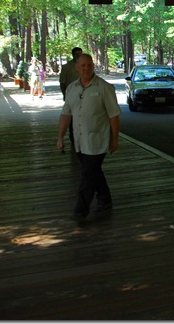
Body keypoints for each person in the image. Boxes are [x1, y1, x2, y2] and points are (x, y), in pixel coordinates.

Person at [56, 53, 120, 222]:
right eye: (83, 65)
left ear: (93, 66)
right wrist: (60, 137)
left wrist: (115, 139)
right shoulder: (71, 89)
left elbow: (114, 116)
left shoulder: (104, 88)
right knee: (93, 172)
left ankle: (80, 211)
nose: (86, 68)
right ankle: (105, 198)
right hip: (79, 141)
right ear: (76, 68)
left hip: (97, 141)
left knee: (87, 176)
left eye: (89, 65)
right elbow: (65, 114)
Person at [59, 47, 83, 143]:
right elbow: (62, 82)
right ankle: (72, 135)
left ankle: (82, 134)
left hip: (83, 95)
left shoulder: (83, 65)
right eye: (77, 54)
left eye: (80, 54)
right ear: (73, 55)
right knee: (71, 116)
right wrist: (65, 95)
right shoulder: (67, 67)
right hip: (71, 95)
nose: (79, 56)